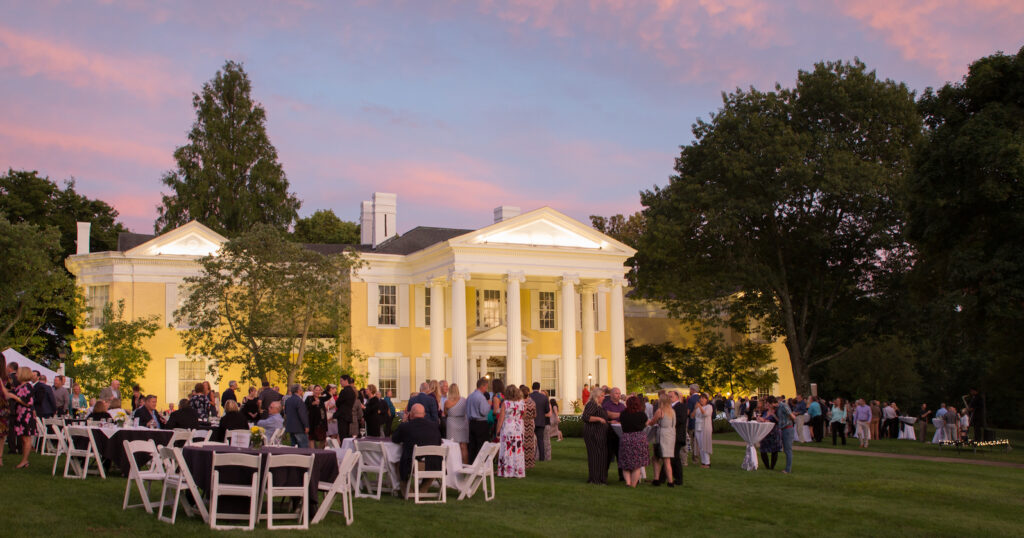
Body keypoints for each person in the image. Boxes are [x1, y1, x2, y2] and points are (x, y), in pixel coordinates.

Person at [391, 403, 442, 495]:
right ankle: (422, 490)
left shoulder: (406, 426)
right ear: (424, 414)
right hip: (435, 465)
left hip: (414, 465)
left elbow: (395, 439)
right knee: (434, 462)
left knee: (398, 462)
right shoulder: (434, 426)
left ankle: (407, 491)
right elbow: (439, 442)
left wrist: (403, 422)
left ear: (411, 414)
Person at [614, 395, 649, 488]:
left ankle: (628, 482)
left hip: (626, 438)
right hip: (639, 438)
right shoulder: (641, 414)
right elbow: (646, 423)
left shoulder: (623, 414)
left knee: (625, 462)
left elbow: (621, 423)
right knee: (637, 464)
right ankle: (633, 484)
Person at [496, 384, 525, 478]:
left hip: (508, 427)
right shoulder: (522, 403)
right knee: (517, 449)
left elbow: (501, 418)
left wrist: (497, 431)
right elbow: (523, 415)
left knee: (507, 449)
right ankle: (517, 471)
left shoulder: (506, 403)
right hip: (519, 427)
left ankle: (507, 471)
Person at [582, 387, 610, 484]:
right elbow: (586, 417)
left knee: (601, 455)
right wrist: (599, 419)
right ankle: (595, 478)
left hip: (600, 434)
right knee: (595, 455)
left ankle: (601, 478)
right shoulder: (592, 404)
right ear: (596, 396)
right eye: (602, 396)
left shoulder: (598, 405)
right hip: (593, 434)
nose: (603, 398)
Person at [10, 367, 36, 468]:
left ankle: (24, 460)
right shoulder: (20, 386)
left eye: (18, 373)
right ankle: (25, 460)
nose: (16, 375)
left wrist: (15, 398)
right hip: (20, 414)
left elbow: (28, 403)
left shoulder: (28, 386)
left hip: (26, 415)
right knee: (23, 438)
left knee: (26, 438)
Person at [648, 392, 675, 487]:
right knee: (667, 460)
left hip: (662, 435)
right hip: (671, 435)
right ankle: (670, 481)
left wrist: (647, 422)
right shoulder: (672, 411)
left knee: (656, 457)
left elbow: (652, 422)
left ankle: (656, 479)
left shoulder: (660, 411)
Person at [602, 387, 626, 481]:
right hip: (610, 433)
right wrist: (621, 414)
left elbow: (624, 416)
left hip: (620, 433)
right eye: (616, 393)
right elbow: (608, 415)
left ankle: (622, 476)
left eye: (619, 393)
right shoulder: (606, 405)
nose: (618, 395)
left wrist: (616, 415)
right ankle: (604, 476)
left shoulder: (622, 406)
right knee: (608, 455)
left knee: (621, 455)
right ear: (611, 394)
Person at [466, 377, 492, 463]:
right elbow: (483, 412)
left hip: (471, 423)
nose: (486, 389)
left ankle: (472, 463)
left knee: (472, 445)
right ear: (482, 386)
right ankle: (481, 464)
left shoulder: (470, 396)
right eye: (486, 387)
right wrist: (489, 404)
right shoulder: (481, 397)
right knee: (482, 445)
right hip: (481, 423)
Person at [444, 383, 469, 463]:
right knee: (463, 446)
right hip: (462, 422)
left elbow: (445, 413)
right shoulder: (464, 400)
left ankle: (454, 464)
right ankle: (465, 464)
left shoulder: (447, 402)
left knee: (452, 445)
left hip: (452, 424)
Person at [528, 382, 551, 462]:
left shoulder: (529, 396)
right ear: (539, 387)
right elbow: (547, 410)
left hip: (531, 421)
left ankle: (530, 457)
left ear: (532, 387)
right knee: (540, 440)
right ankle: (542, 457)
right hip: (541, 421)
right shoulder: (544, 397)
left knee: (530, 440)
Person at [758, 396, 782, 469]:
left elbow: (779, 421)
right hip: (765, 432)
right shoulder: (764, 412)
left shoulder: (777, 411)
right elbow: (761, 418)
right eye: (766, 403)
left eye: (768, 403)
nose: (766, 405)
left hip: (774, 432)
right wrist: (760, 419)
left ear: (772, 404)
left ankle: (772, 467)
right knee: (763, 449)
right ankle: (767, 466)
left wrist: (773, 416)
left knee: (774, 450)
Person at [284, 384, 310, 448]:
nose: (302, 391)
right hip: (299, 427)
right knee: (303, 447)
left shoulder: (288, 400)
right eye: (301, 390)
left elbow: (286, 412)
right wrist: (306, 426)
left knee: (293, 447)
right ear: (298, 391)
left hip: (290, 426)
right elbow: (302, 414)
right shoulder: (299, 401)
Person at [692, 393, 714, 468]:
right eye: (700, 398)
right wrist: (695, 408)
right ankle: (703, 461)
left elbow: (705, 414)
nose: (701, 399)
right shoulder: (698, 407)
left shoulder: (709, 407)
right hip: (698, 427)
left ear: (706, 400)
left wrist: (700, 407)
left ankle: (707, 462)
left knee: (705, 445)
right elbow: (692, 416)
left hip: (705, 428)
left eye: (703, 398)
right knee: (700, 445)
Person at [519, 384, 537, 470]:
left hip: (522, 423)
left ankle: (522, 462)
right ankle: (530, 462)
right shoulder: (532, 402)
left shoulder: (520, 403)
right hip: (530, 424)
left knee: (522, 443)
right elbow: (535, 415)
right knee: (530, 444)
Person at [777, 395, 796, 473]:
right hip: (783, 428)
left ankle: (788, 469)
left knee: (788, 450)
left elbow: (793, 416)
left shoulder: (783, 406)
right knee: (786, 450)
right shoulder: (778, 407)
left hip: (788, 428)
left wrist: (788, 420)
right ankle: (788, 468)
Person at [335, 375, 356, 439]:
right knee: (346, 435)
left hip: (342, 416)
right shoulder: (352, 391)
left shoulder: (344, 391)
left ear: (346, 381)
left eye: (341, 381)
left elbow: (338, 403)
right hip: (348, 415)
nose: (340, 382)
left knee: (342, 436)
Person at [684, 384, 700, 466]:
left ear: (692, 390)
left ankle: (686, 458)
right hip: (700, 422)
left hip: (692, 422)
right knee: (697, 441)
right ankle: (696, 458)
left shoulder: (691, 399)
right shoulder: (701, 398)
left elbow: (688, 411)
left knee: (689, 440)